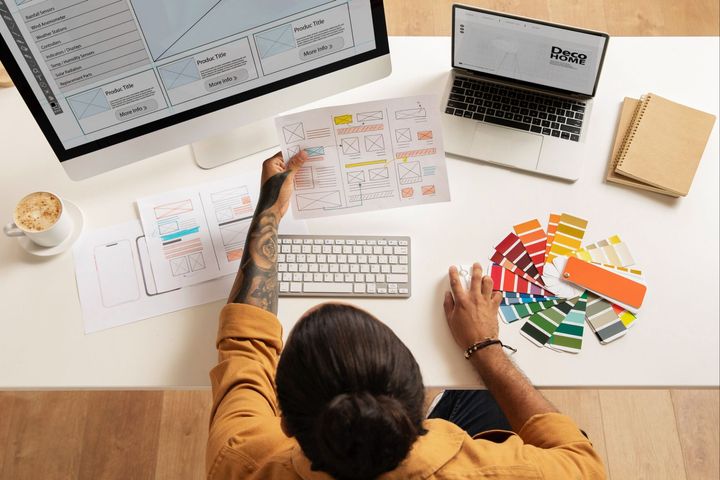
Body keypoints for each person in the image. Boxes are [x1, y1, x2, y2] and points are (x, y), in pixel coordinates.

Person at [206, 152, 607, 479]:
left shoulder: (242, 463)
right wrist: (487, 349)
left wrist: (269, 213)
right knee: (485, 402)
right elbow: (582, 461)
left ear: (285, 424)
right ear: (420, 406)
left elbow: (246, 346)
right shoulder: (495, 472)